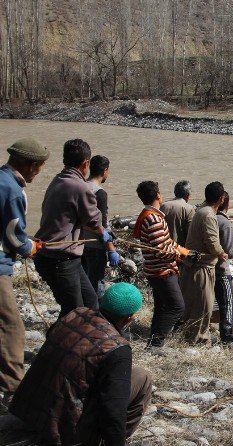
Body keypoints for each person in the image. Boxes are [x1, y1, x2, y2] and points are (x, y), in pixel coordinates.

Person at [10, 282, 153, 446]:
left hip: (29, 411)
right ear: (129, 318)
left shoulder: (76, 313)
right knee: (143, 377)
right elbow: (113, 409)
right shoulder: (118, 348)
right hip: (66, 431)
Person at [34, 139, 119, 319]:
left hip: (62, 257)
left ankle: (77, 342)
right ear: (85, 163)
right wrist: (105, 235)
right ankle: (58, 344)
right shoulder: (79, 186)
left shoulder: (58, 179)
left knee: (90, 302)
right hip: (59, 258)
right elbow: (94, 221)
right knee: (74, 312)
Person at [0, 138, 48, 403]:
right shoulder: (13, 190)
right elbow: (14, 236)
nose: (39, 173)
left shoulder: (1, 179)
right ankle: (13, 386)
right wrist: (30, 247)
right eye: (39, 167)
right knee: (12, 326)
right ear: (31, 165)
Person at [134, 181, 190, 348]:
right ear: (158, 195)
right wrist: (180, 254)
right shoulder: (153, 218)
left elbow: (166, 242)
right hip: (161, 270)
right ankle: (156, 343)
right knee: (177, 306)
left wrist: (184, 251)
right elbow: (161, 250)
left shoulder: (150, 214)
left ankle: (153, 338)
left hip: (154, 269)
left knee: (161, 306)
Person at [180, 181, 227, 345]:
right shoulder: (208, 215)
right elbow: (213, 244)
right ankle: (197, 339)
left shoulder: (202, 210)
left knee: (192, 303)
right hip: (201, 267)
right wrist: (222, 253)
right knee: (203, 306)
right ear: (221, 199)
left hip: (193, 265)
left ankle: (187, 335)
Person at [82, 155, 112, 297]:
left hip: (79, 244)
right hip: (95, 246)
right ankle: (95, 316)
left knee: (82, 284)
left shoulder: (80, 185)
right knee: (96, 285)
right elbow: (103, 224)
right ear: (105, 170)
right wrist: (111, 249)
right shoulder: (100, 193)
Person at [214, 191, 233, 343]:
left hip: (207, 267)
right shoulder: (224, 222)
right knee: (228, 303)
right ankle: (227, 337)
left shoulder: (207, 217)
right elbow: (229, 251)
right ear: (227, 204)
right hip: (221, 268)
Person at [160, 180, 195, 247]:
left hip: (164, 246)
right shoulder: (189, 208)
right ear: (188, 195)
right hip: (180, 248)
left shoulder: (163, 206)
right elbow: (191, 234)